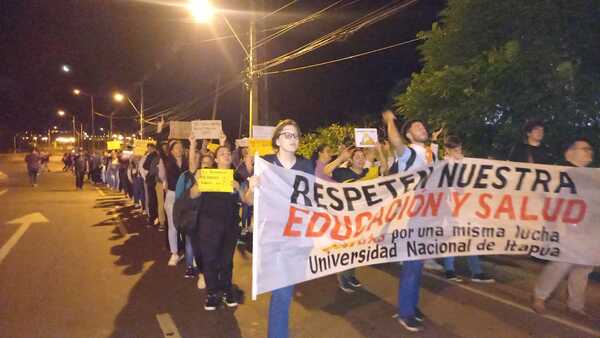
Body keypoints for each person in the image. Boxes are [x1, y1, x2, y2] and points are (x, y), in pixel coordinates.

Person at [246, 119, 315, 338]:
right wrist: (251, 188)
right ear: (277, 140)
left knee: (285, 290)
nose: (293, 139)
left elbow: (312, 200)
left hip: (297, 236)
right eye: (288, 135)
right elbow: (249, 201)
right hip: (274, 237)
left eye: (296, 135)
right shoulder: (265, 163)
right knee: (282, 291)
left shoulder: (306, 166)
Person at [383, 110, 437, 332]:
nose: (422, 128)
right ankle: (405, 313)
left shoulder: (428, 154)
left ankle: (410, 306)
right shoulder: (410, 153)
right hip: (410, 217)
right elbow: (396, 141)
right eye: (417, 127)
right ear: (410, 135)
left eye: (423, 126)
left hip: (424, 216)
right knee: (412, 266)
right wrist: (389, 122)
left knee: (417, 265)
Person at [532, 137, 596, 319]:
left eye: (590, 149)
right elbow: (551, 201)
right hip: (567, 229)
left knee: (584, 267)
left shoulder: (592, 176)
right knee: (562, 264)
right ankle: (540, 296)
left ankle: (576, 305)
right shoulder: (561, 173)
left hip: (588, 230)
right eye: (584, 148)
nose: (589, 152)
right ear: (570, 153)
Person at [190, 145, 247, 310]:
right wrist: (200, 183)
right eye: (222, 154)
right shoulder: (207, 173)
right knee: (210, 259)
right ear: (215, 159)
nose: (227, 155)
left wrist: (238, 188)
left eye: (228, 153)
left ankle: (227, 290)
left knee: (227, 261)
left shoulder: (237, 175)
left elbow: (246, 200)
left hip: (230, 224)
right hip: (209, 224)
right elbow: (193, 194)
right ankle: (213, 293)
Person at [323, 145, 386, 293]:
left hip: (361, 220)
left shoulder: (368, 172)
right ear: (350, 160)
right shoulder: (341, 172)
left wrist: (380, 151)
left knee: (356, 249)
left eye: (362, 157)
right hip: (344, 219)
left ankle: (351, 276)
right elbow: (325, 171)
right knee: (346, 249)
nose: (360, 159)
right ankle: (343, 279)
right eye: (357, 157)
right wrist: (340, 158)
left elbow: (385, 168)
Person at [439, 135, 495, 283]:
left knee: (470, 237)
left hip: (465, 207)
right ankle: (449, 271)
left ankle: (477, 272)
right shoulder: (443, 165)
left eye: (460, 149)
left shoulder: (465, 164)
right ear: (448, 150)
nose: (459, 152)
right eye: (456, 150)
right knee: (451, 238)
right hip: (450, 207)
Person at [160, 141, 188, 266]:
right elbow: (159, 149)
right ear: (171, 151)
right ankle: (174, 253)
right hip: (172, 196)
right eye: (176, 148)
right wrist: (160, 131)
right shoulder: (167, 162)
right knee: (173, 226)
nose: (179, 149)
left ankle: (189, 252)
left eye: (181, 147)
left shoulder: (187, 163)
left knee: (187, 225)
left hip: (186, 197)